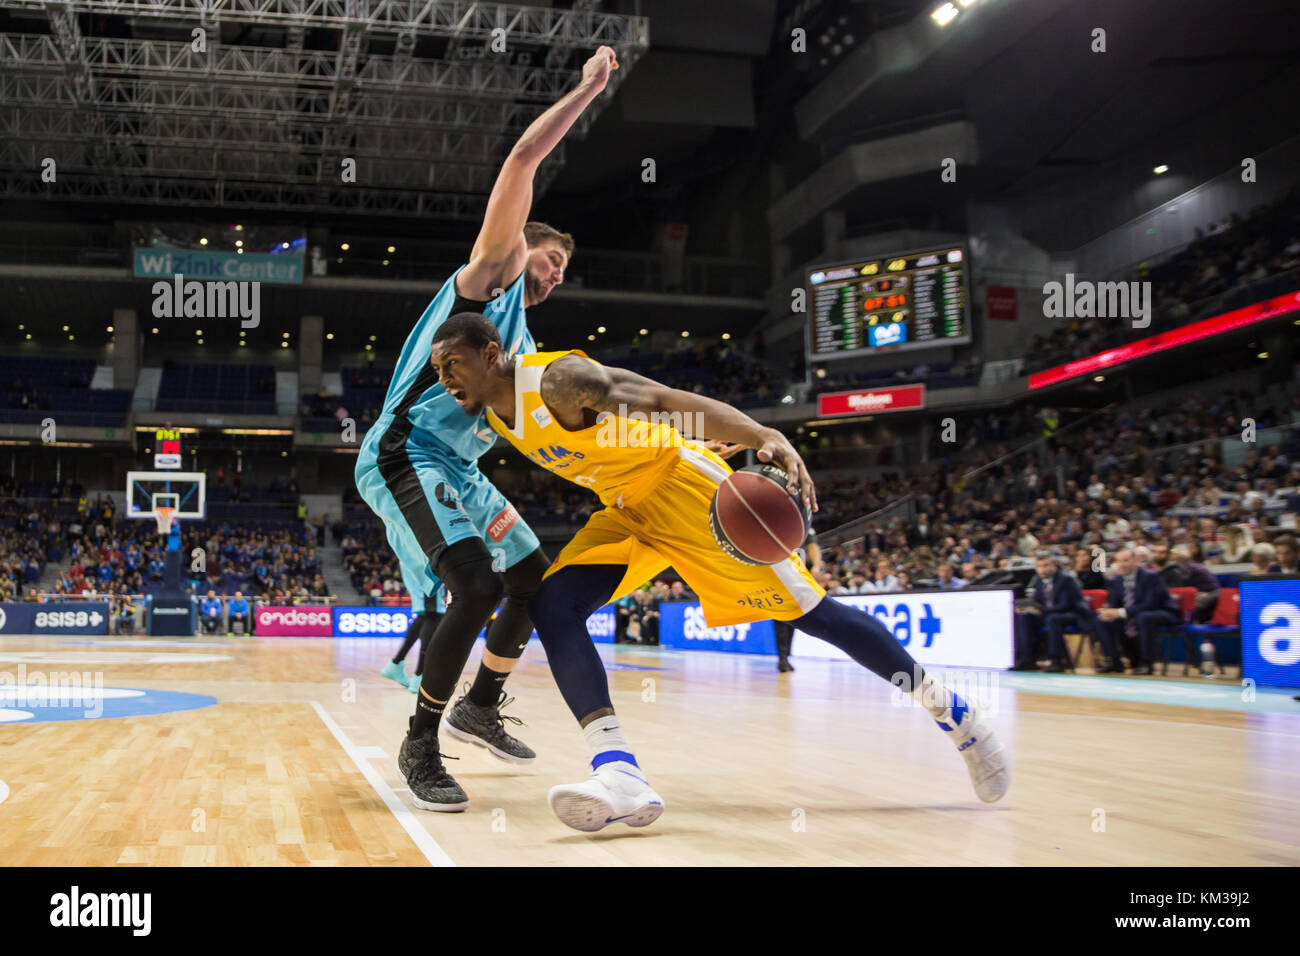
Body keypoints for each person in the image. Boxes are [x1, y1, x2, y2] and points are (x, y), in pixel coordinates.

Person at [428, 316, 1009, 832]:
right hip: (626, 509)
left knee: (811, 614)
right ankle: (619, 774)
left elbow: (659, 399)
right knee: (552, 604)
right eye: (437, 370)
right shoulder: (495, 417)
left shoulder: (557, 379)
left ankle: (955, 715)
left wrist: (760, 435)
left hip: (686, 488)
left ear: (490, 353)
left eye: (452, 363)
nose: (445, 378)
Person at [355, 46, 621, 812]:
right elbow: (523, 155)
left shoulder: (528, 352)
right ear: (521, 248)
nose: (557, 269)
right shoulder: (489, 276)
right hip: (406, 451)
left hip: (461, 470)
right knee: (472, 587)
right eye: (551, 254)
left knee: (535, 583)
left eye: (566, 265)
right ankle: (420, 742)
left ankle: (479, 704)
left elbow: (552, 430)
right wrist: (585, 91)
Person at [1097, 548, 1181, 675]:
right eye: (1118, 561)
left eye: (1125, 560)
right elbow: (1114, 603)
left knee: (1143, 617)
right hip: (1135, 614)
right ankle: (1114, 662)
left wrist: (1119, 613)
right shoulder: (1118, 579)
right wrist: (1107, 611)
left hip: (1164, 612)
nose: (1121, 564)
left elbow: (1150, 604)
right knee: (1101, 619)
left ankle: (1146, 663)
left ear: (1135, 561)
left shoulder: (1150, 576)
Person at [382, 581, 446, 696]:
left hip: (418, 570)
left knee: (424, 615)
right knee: (433, 613)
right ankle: (419, 675)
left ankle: (397, 663)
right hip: (427, 572)